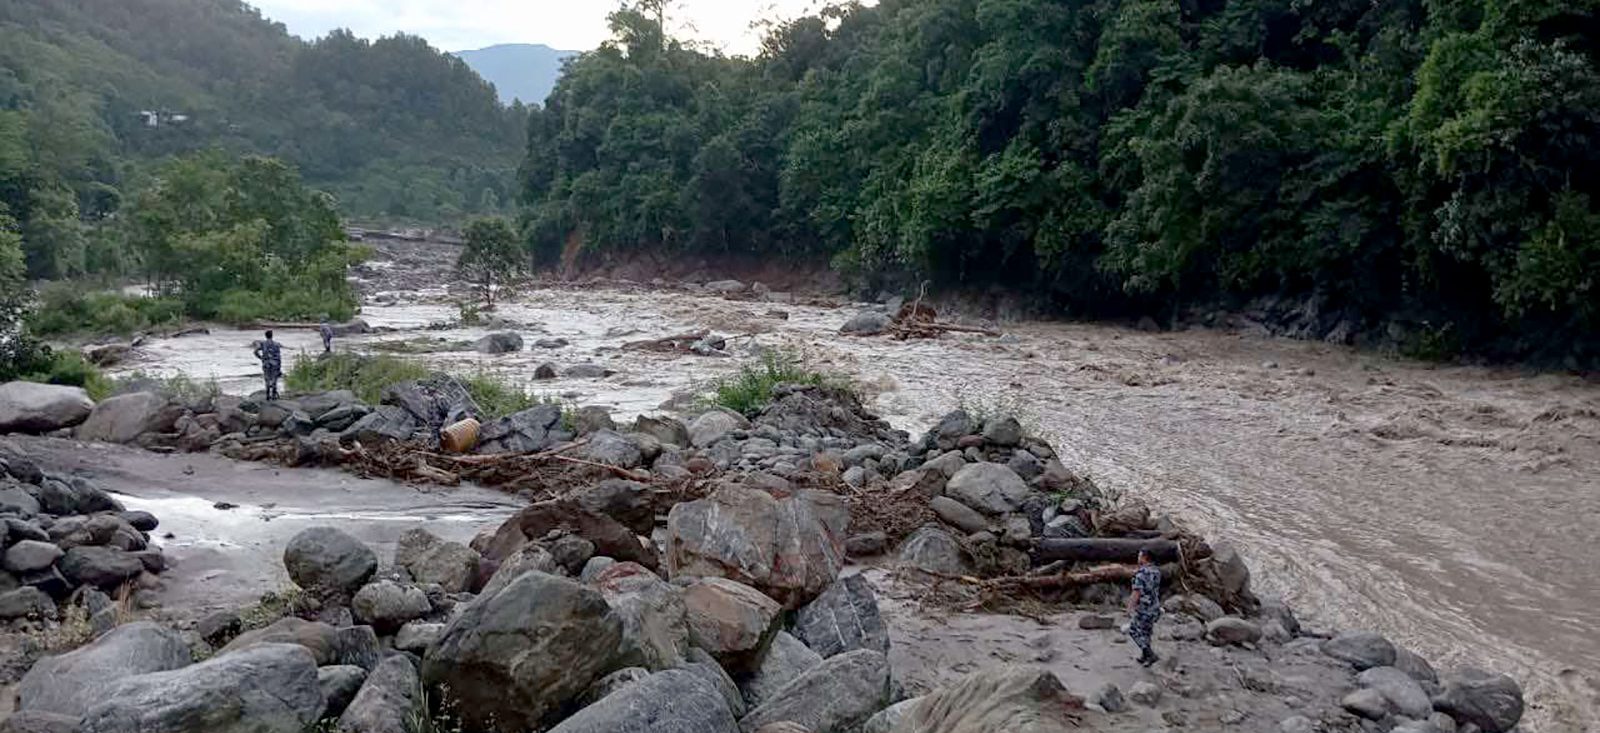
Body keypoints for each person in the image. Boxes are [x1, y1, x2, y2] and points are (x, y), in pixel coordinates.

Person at [1124, 547, 1163, 666]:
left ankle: (1149, 654)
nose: (1138, 558)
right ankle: (1145, 655)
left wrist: (1130, 607)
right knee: (1147, 631)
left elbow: (1137, 592)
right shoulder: (1156, 571)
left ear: (1144, 558)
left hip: (1144, 607)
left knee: (1133, 630)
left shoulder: (1141, 574)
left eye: (1139, 555)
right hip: (1154, 606)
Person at [253, 330, 283, 400]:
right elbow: (278, 356)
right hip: (275, 363)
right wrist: (279, 367)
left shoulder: (263, 344)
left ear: (265, 336)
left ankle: (267, 395)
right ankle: (273, 395)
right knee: (274, 378)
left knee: (267, 378)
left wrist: (261, 358)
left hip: (266, 363)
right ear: (272, 336)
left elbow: (255, 351)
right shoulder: (277, 344)